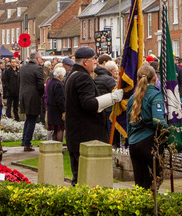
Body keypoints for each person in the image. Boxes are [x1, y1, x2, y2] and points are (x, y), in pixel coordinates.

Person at [64, 46, 122, 185]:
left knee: (79, 177)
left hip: (75, 134)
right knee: (86, 179)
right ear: (85, 62)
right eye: (93, 59)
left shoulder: (71, 76)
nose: (95, 62)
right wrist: (112, 98)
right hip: (86, 135)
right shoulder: (83, 78)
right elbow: (89, 104)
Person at [126, 64, 168, 190]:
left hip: (134, 143)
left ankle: (140, 208)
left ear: (137, 80)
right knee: (153, 182)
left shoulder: (132, 98)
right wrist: (170, 134)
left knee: (139, 184)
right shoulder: (155, 95)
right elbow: (158, 121)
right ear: (155, 79)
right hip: (149, 143)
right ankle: (151, 209)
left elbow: (128, 124)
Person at [19, 52, 46, 151]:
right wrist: (41, 94)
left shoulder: (22, 68)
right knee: (32, 120)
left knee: (28, 118)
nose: (42, 61)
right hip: (33, 96)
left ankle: (24, 140)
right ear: (37, 59)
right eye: (41, 59)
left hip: (23, 94)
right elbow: (40, 84)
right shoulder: (38, 68)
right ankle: (27, 143)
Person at [46, 66, 67, 143]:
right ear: (61, 76)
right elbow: (60, 99)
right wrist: (63, 110)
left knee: (54, 129)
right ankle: (59, 147)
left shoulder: (51, 82)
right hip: (57, 110)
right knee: (59, 129)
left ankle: (54, 147)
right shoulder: (59, 84)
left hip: (51, 109)